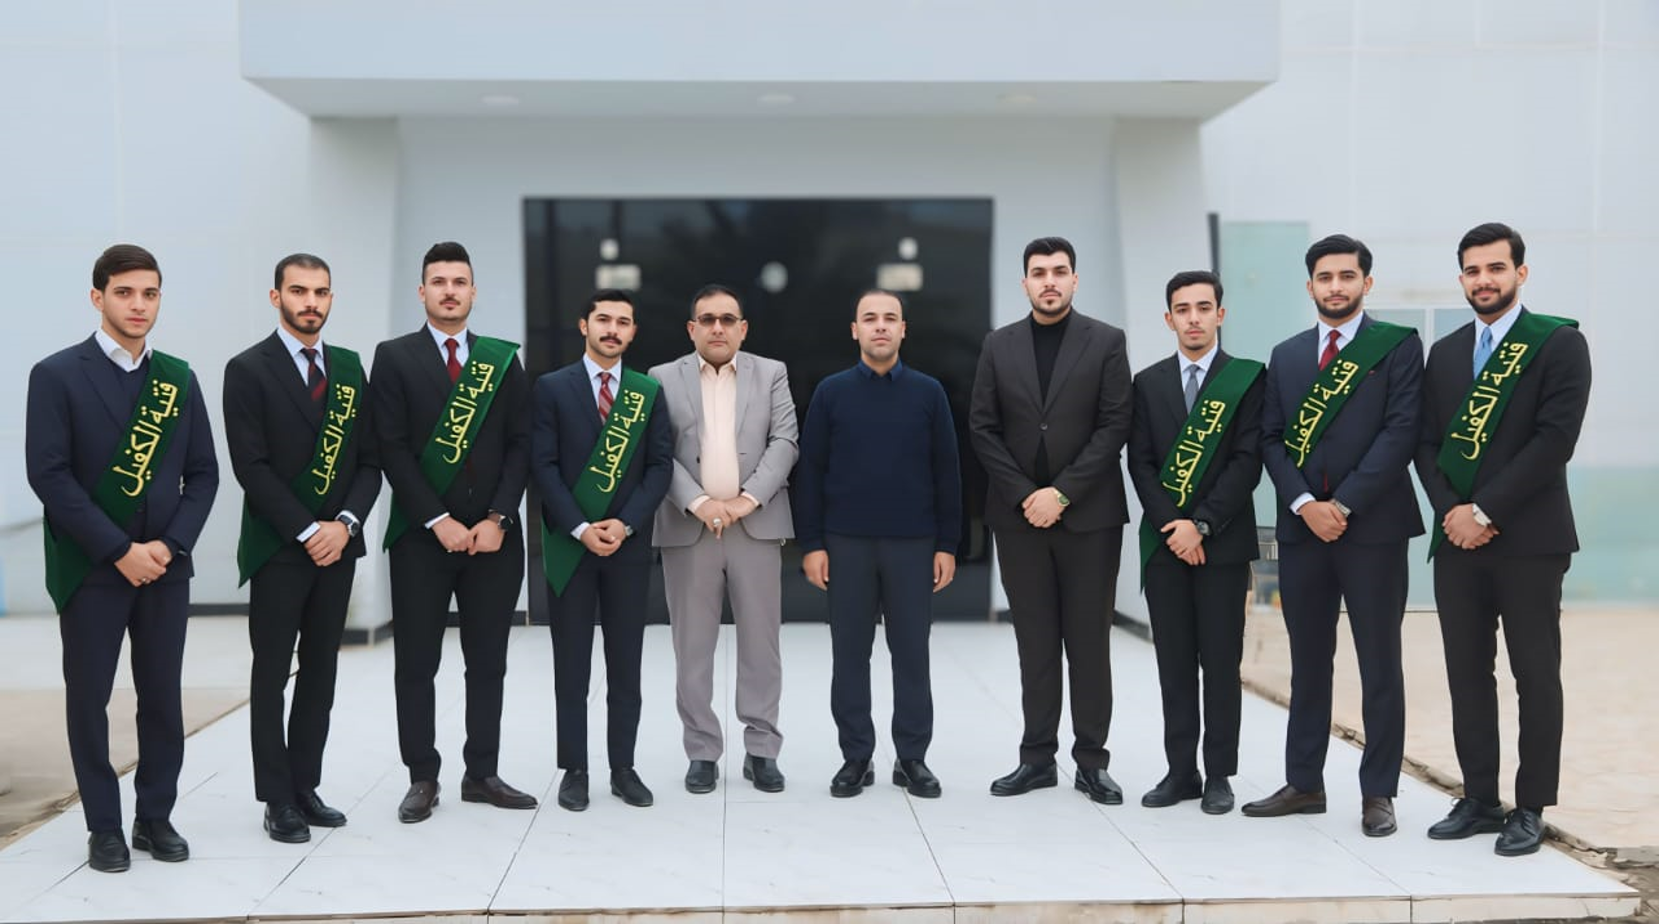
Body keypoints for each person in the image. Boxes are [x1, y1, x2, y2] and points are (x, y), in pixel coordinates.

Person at [26, 244, 219, 872]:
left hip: (165, 569)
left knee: (162, 698)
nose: (139, 305)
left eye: (150, 293)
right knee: (89, 700)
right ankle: (103, 826)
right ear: (98, 297)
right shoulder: (56, 374)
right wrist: (118, 550)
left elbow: (204, 474)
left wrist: (167, 545)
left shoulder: (179, 379)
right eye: (125, 292)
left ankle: (154, 817)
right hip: (92, 569)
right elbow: (49, 475)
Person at [1415, 223, 1590, 857]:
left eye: (1495, 268)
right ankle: (1480, 798)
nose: (1483, 280)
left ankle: (1531, 806)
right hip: (1458, 543)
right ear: (1461, 278)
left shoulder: (1558, 344)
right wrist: (1452, 512)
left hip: (1530, 542)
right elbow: (1426, 442)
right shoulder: (1446, 352)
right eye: (1472, 270)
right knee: (1467, 674)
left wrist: (1485, 510)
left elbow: (1554, 441)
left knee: (1534, 674)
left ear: (1521, 272)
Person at [1246, 234, 1423, 837]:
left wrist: (1342, 504)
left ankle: (1379, 793)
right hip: (1303, 533)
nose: (1336, 286)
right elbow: (1271, 438)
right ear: (1310, 286)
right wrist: (1304, 504)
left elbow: (1401, 432)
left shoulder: (1397, 347)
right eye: (1325, 277)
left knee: (1380, 663)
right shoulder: (1288, 354)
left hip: (1374, 529)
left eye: (1347, 276)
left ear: (1366, 283)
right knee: (1308, 661)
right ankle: (1304, 783)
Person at [373, 241, 535, 822]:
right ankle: (422, 776)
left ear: (472, 291)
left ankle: (482, 773)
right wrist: (437, 520)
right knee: (417, 663)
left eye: (459, 282)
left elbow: (521, 443)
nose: (449, 291)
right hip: (422, 539)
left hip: (494, 540)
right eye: (438, 282)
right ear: (422, 291)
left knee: (487, 661)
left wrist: (498, 517)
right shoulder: (393, 357)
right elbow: (390, 446)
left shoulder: (500, 361)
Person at [968, 236, 1132, 805]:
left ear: (1075, 280)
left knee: (1089, 645)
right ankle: (1036, 759)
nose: (1050, 281)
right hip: (1019, 522)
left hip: (1090, 518)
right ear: (1025, 283)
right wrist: (1025, 496)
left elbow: (1115, 425)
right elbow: (983, 427)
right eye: (1039, 273)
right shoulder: (999, 344)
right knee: (1035, 645)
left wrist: (1060, 494)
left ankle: (1092, 762)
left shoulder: (1106, 341)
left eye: (1060, 271)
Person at [223, 253, 381, 842]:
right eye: (298, 291)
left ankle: (306, 785)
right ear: (277, 297)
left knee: (321, 670)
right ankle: (276, 798)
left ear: (331, 298)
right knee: (272, 674)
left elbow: (370, 461)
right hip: (279, 547)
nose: (310, 302)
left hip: (338, 546)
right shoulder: (247, 369)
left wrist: (344, 524)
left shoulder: (350, 368)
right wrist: (308, 530)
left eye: (320, 292)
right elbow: (251, 467)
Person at [795, 289, 961, 799]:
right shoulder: (831, 392)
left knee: (912, 654)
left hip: (914, 544)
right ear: (855, 330)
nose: (881, 326)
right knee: (850, 654)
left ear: (903, 330)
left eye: (890, 318)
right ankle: (856, 756)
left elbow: (948, 472)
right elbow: (810, 471)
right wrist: (812, 543)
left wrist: (948, 544)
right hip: (846, 544)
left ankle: (912, 758)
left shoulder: (929, 393)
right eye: (870, 318)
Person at [649, 284, 798, 795]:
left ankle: (762, 749)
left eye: (727, 319)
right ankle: (702, 751)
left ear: (743, 328)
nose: (718, 328)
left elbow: (785, 441)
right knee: (692, 646)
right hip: (688, 526)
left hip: (754, 525)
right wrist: (699, 502)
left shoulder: (772, 373)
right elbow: (657, 450)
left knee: (762, 643)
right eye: (707, 319)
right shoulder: (661, 378)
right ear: (692, 328)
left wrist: (744, 500)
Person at [1126, 270, 1263, 815]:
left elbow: (1247, 462)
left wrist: (1201, 525)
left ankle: (1219, 774)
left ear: (1220, 314)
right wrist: (1174, 527)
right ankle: (1180, 771)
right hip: (1166, 548)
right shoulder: (1147, 383)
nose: (1194, 318)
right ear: (1169, 319)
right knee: (1175, 664)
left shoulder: (1247, 379)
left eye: (1204, 308)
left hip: (1223, 547)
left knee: (1221, 664)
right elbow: (1140, 463)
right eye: (1183, 309)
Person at [533, 289, 672, 811]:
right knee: (571, 666)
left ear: (633, 332)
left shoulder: (646, 392)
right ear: (584, 325)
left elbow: (660, 465)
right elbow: (543, 465)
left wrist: (626, 523)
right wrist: (579, 526)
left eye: (623, 322)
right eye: (604, 320)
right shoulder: (552, 388)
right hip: (571, 547)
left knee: (626, 665)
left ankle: (623, 767)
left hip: (626, 549)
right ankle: (574, 769)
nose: (612, 329)